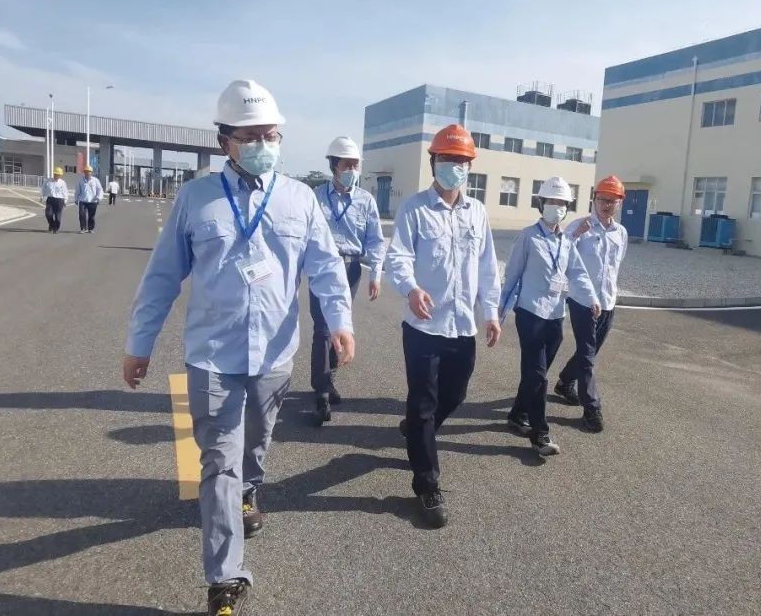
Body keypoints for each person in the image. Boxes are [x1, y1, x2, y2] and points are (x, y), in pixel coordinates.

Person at [121, 79, 356, 616]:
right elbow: (162, 277)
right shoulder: (195, 199)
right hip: (212, 356)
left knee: (256, 444)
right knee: (218, 462)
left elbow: (324, 266)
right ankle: (225, 577)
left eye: (271, 135)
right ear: (224, 140)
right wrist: (140, 343)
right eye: (251, 136)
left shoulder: (298, 198)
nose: (263, 144)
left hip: (275, 353)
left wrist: (340, 321)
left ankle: (250, 488)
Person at [386, 124, 501, 528]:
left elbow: (487, 266)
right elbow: (398, 257)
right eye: (447, 158)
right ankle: (427, 484)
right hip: (423, 327)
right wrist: (411, 288)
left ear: (470, 166)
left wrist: (491, 312)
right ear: (433, 161)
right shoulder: (414, 209)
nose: (454, 166)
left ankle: (418, 430)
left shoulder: (477, 212)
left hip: (462, 326)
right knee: (423, 402)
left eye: (461, 160)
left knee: (455, 394)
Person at [500, 176, 600, 457]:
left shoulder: (566, 241)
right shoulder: (528, 237)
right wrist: (498, 315)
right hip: (529, 313)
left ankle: (517, 414)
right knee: (538, 375)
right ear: (541, 204)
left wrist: (591, 297)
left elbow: (577, 273)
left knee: (536, 374)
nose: (557, 207)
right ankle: (540, 433)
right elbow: (511, 276)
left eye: (562, 203)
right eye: (552, 201)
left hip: (555, 315)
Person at [310, 135, 387, 424]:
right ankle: (321, 390)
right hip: (322, 267)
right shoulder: (316, 196)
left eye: (356, 165)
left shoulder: (366, 200)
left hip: (352, 269)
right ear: (334, 165)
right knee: (322, 328)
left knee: (339, 324)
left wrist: (375, 274)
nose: (352, 170)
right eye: (347, 164)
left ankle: (328, 376)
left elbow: (375, 240)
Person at [553, 176, 629, 432]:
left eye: (612, 201)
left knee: (590, 352)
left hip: (608, 301)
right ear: (594, 199)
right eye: (602, 199)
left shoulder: (621, 233)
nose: (606, 205)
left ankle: (564, 381)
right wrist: (576, 235)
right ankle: (592, 408)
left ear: (619, 203)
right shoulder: (580, 226)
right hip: (583, 300)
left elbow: (615, 266)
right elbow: (560, 255)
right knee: (587, 355)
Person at [76, 166, 104, 233]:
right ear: (84, 172)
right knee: (81, 215)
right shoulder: (81, 180)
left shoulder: (95, 180)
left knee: (91, 216)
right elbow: (77, 190)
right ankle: (83, 228)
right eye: (86, 171)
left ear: (91, 172)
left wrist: (99, 198)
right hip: (83, 201)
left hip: (93, 201)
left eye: (89, 172)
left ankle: (90, 228)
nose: (87, 173)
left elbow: (100, 189)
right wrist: (76, 199)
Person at [41, 167, 68, 233]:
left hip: (60, 200)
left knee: (58, 216)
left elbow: (65, 192)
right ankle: (52, 224)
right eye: (56, 174)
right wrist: (42, 196)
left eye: (59, 175)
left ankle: (56, 228)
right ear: (54, 174)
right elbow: (43, 189)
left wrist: (65, 200)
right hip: (50, 199)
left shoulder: (62, 183)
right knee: (48, 214)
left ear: (60, 175)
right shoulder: (48, 181)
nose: (57, 176)